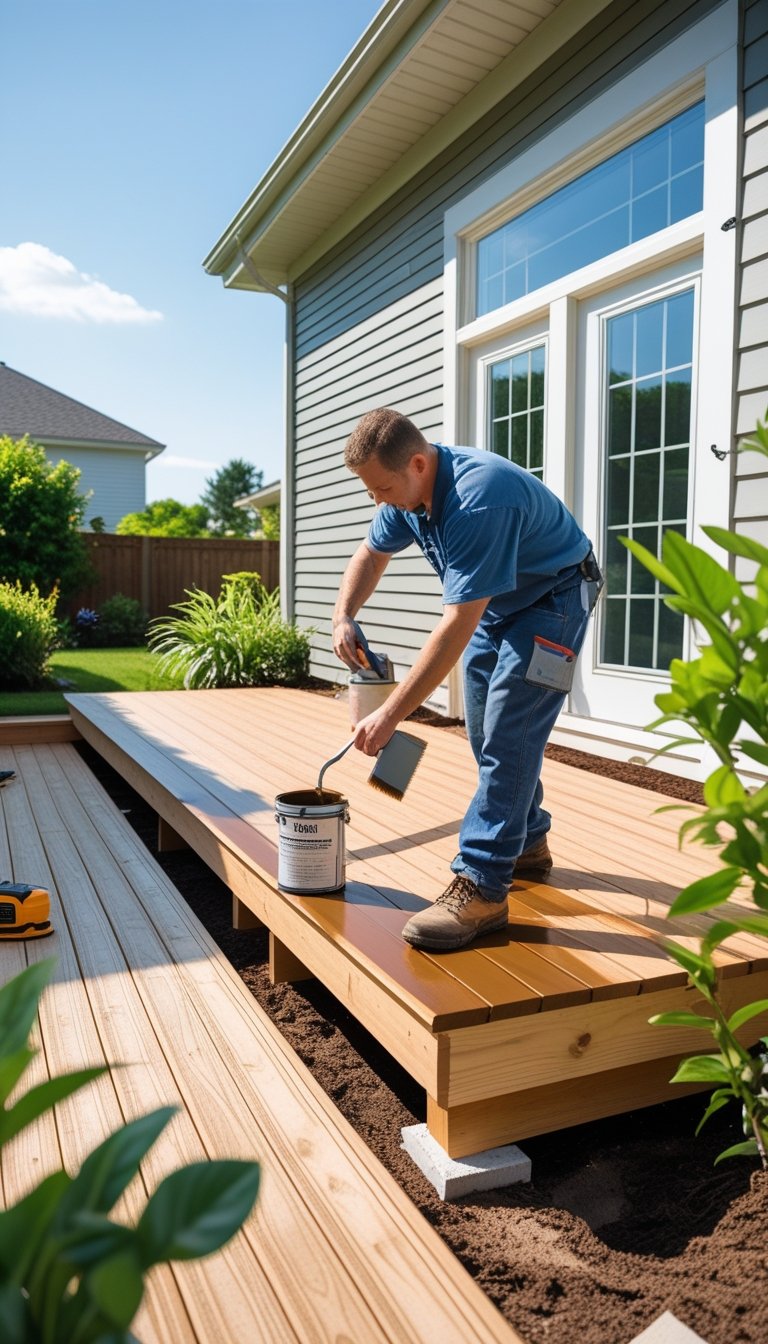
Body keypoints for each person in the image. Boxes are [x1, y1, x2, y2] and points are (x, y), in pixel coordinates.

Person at [332, 408, 603, 952]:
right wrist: (344, 614)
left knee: (509, 733)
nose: (377, 500)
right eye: (370, 492)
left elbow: (458, 623)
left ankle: (482, 885)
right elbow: (371, 553)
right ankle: (525, 841)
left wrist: (391, 714)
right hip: (500, 606)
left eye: (381, 488)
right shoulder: (404, 496)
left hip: (555, 599)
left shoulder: (478, 499)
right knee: (484, 731)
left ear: (416, 463)